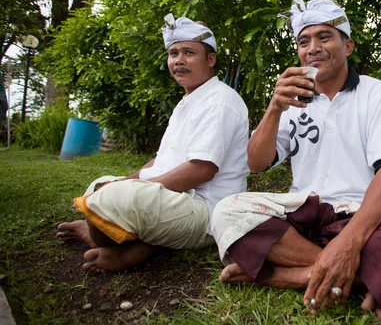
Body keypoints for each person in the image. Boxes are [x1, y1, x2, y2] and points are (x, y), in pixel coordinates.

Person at [211, 0, 381, 320]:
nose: (313, 47)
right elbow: (256, 163)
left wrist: (350, 243)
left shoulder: (377, 93)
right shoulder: (293, 102)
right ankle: (363, 277)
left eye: (324, 37)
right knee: (226, 211)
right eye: (304, 41)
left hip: (365, 216)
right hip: (307, 213)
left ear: (348, 45)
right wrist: (274, 108)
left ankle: (293, 274)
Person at [57, 14, 249, 273]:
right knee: (102, 185)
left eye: (189, 52)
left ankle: (110, 244)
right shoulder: (187, 102)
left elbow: (201, 170)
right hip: (177, 201)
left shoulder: (221, 100)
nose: (179, 60)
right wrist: (125, 181)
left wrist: (132, 189)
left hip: (207, 212)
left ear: (210, 59)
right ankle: (134, 248)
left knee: (111, 198)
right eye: (173, 53)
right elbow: (161, 161)